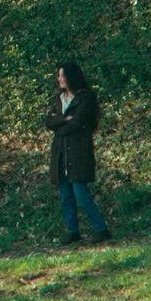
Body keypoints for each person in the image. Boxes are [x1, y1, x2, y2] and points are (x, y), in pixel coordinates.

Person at [45, 62, 112, 246]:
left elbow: (80, 121)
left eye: (62, 75)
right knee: (66, 194)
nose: (59, 79)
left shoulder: (86, 98)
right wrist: (63, 120)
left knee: (80, 192)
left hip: (78, 151)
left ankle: (101, 229)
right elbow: (49, 121)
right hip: (60, 152)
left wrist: (61, 124)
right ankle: (72, 231)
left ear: (71, 77)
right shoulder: (58, 99)